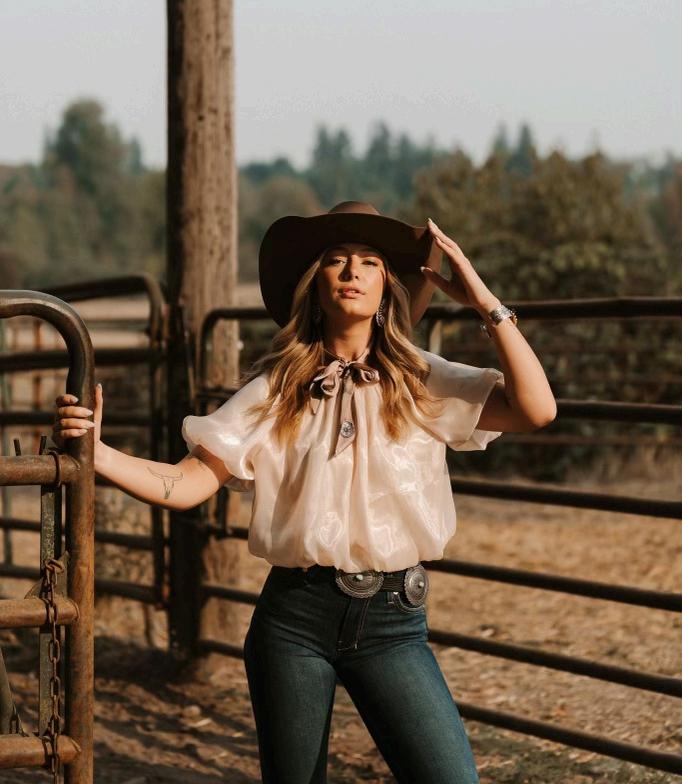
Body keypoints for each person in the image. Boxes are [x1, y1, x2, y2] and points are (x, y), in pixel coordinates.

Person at [53, 201, 557, 784]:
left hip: (393, 624)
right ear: (315, 283)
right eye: (337, 259)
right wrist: (100, 454)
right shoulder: (276, 388)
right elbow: (188, 484)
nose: (353, 270)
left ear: (386, 287)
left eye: (369, 261)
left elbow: (537, 410)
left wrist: (486, 304)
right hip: (296, 620)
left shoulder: (423, 381)